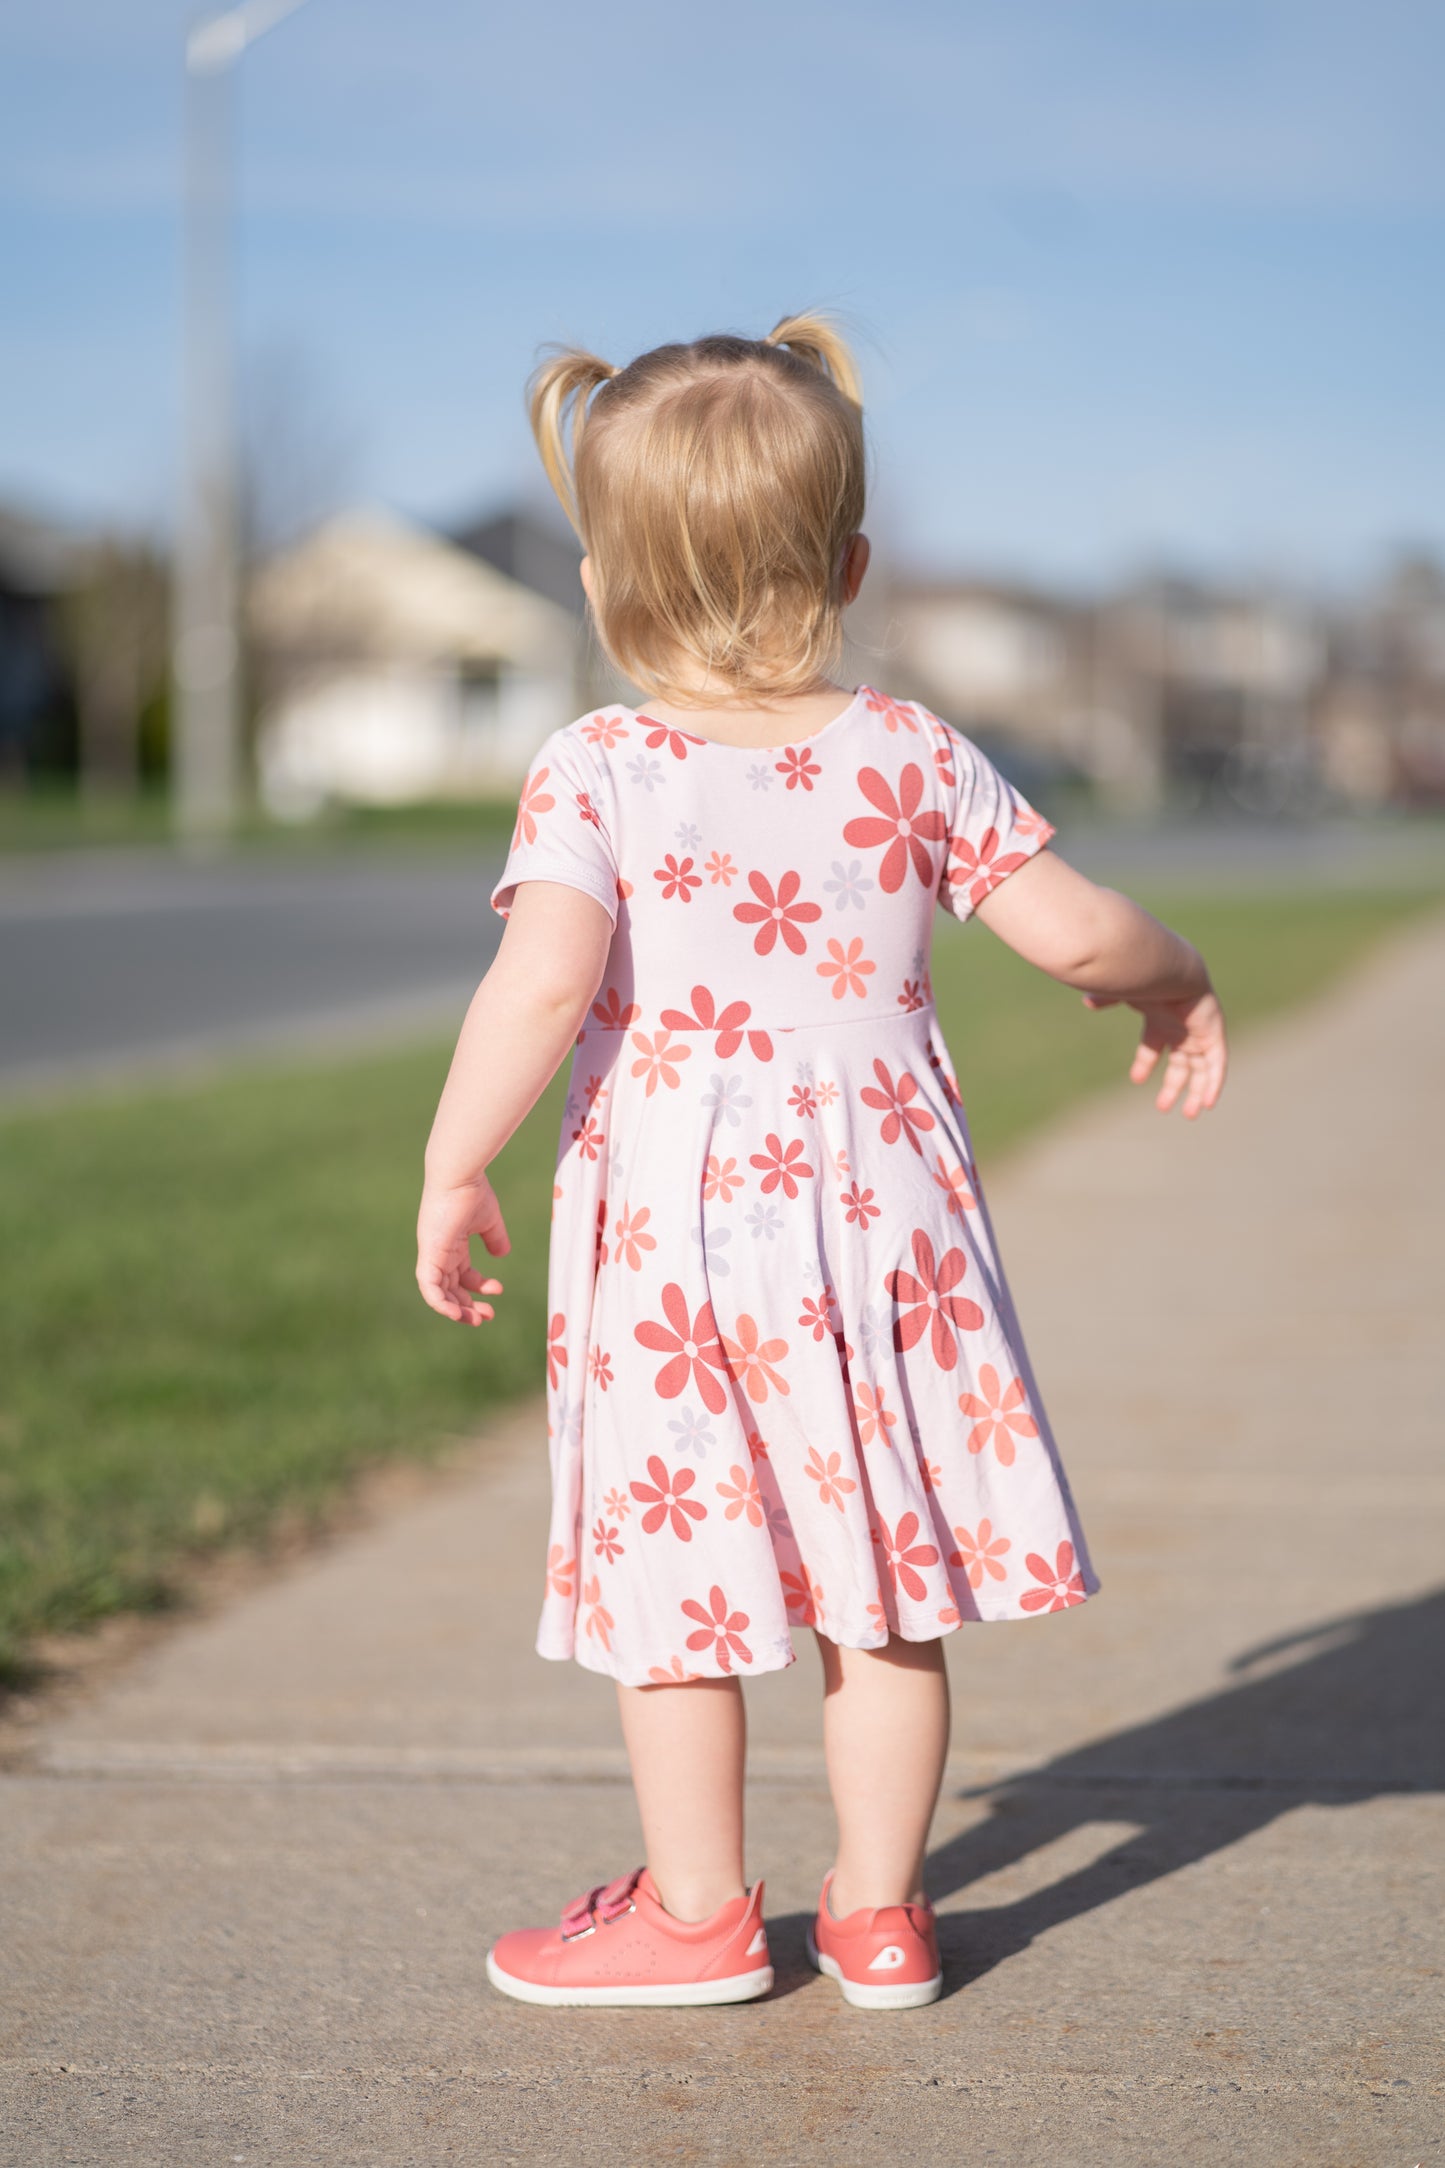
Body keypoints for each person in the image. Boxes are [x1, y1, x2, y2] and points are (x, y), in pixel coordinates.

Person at [416, 316, 1227, 2011]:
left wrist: (452, 1163)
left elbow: (543, 979)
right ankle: (879, 1917)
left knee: (677, 1572)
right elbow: (1075, 937)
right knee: (885, 1585)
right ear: (850, 562)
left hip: (668, 1249)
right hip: (881, 1241)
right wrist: (1176, 974)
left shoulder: (597, 771)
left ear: (594, 584)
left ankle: (700, 1916)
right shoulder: (913, 755)